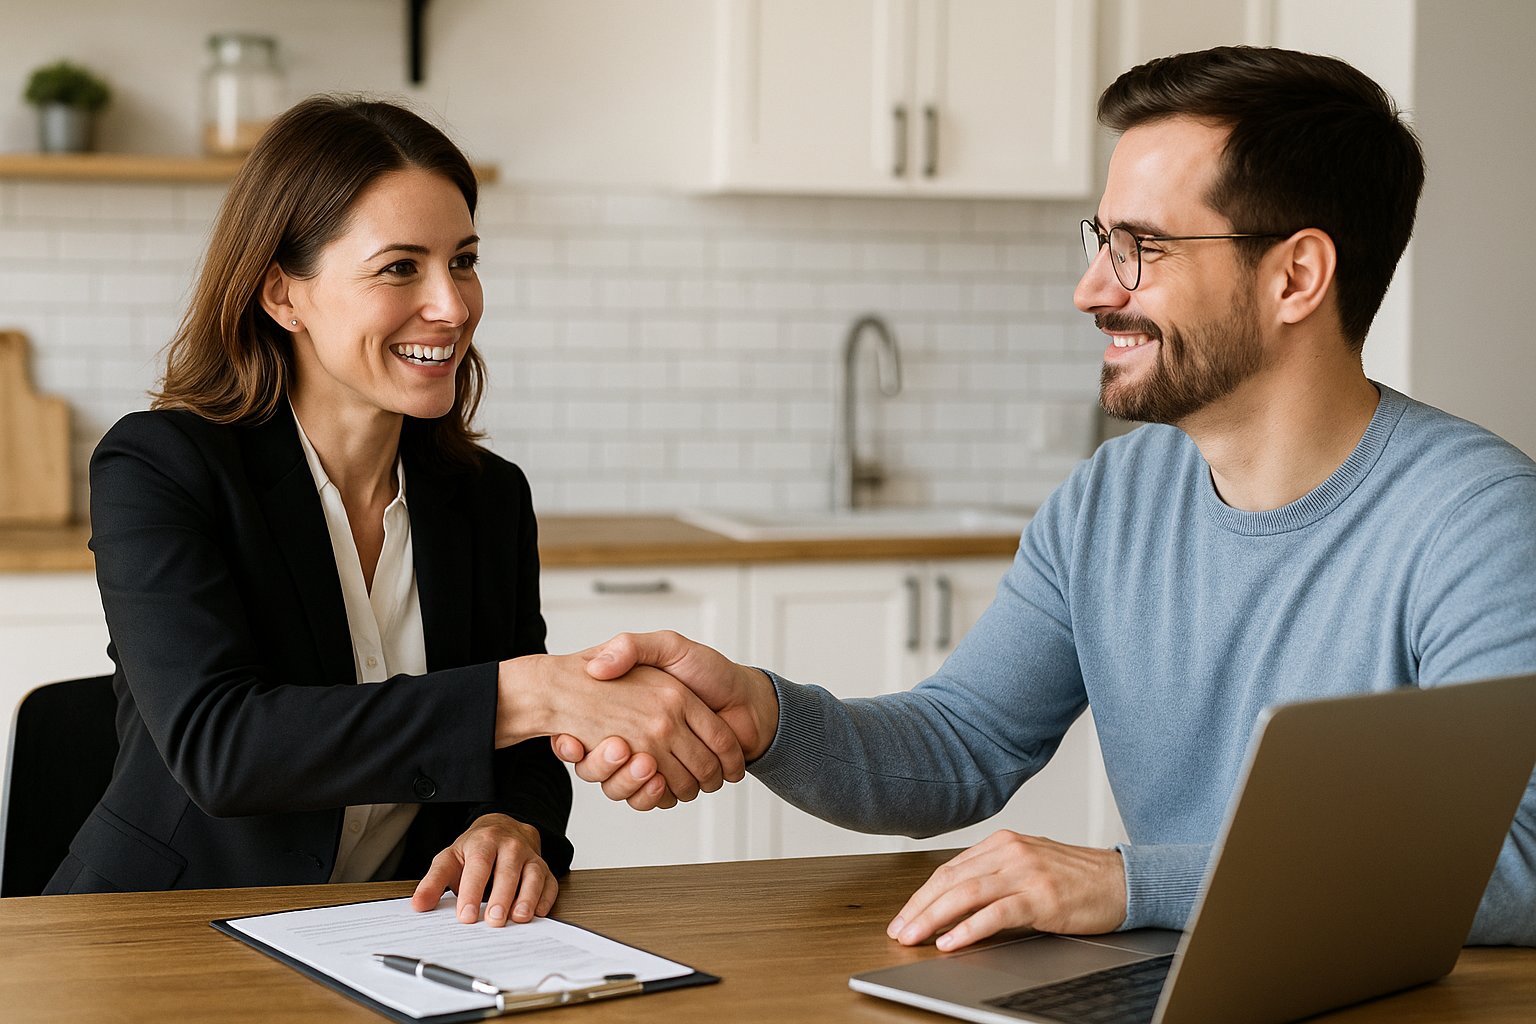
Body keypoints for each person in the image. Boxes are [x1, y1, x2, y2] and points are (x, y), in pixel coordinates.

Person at [553, 47, 1536, 949]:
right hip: (1175, 983)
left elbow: (1521, 864)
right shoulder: (1110, 500)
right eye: (1100, 238)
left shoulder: (1477, 522)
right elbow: (961, 742)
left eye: (1141, 247)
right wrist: (767, 714)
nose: (1091, 288)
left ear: (1296, 276)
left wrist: (1132, 884)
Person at [53, 96, 745, 927]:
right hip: (156, 935)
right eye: (399, 267)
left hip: (389, 935)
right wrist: (536, 692)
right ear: (283, 295)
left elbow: (521, 756)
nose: (452, 307)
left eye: (464, 261)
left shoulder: (488, 497)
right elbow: (222, 746)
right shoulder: (160, 466)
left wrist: (509, 825)